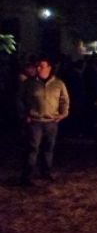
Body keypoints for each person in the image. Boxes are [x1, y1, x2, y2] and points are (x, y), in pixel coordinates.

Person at [18, 57, 69, 185]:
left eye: (42, 66)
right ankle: (27, 175)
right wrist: (24, 115)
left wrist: (63, 113)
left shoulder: (58, 83)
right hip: (35, 121)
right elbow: (19, 100)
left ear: (49, 68)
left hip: (51, 121)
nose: (38, 68)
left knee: (48, 148)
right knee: (32, 148)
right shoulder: (29, 84)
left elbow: (64, 99)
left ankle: (46, 172)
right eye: (38, 66)